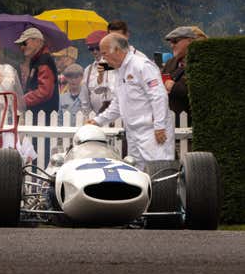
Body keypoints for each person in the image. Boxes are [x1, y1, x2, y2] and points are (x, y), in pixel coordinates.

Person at [87, 34, 174, 168]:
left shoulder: (142, 66)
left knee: (158, 171)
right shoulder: (119, 71)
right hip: (133, 132)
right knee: (136, 171)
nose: (103, 58)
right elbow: (117, 104)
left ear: (116, 50)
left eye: (104, 53)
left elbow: (158, 96)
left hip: (152, 131)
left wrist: (159, 126)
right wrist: (98, 121)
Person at [162, 26, 204, 125]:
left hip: (191, 121)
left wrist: (174, 87)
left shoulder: (201, 61)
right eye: (170, 42)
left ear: (190, 41)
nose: (172, 45)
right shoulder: (170, 63)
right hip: (168, 121)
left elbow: (198, 89)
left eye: (175, 41)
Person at [15, 28, 59, 121]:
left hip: (43, 116)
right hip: (38, 115)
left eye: (24, 43)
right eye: (20, 45)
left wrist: (23, 101)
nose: (22, 47)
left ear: (37, 41)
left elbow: (44, 91)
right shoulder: (38, 60)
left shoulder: (44, 60)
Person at [79, 30, 116, 116]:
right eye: (91, 49)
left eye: (98, 48)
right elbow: (85, 99)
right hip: (96, 117)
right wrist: (87, 117)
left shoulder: (117, 66)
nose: (95, 51)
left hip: (118, 118)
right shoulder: (88, 70)